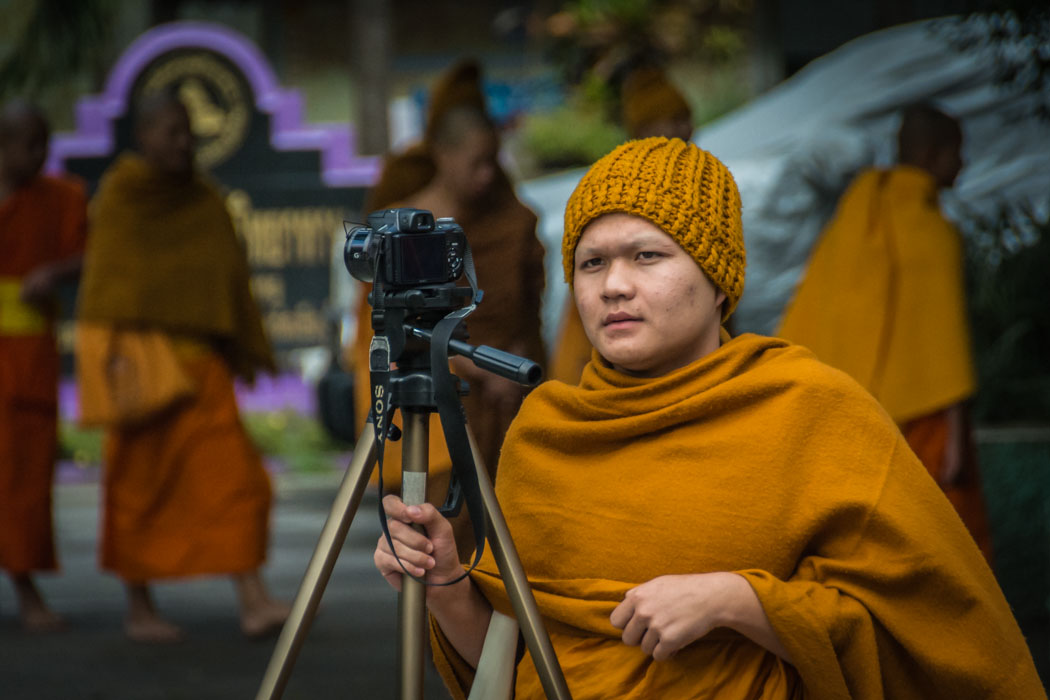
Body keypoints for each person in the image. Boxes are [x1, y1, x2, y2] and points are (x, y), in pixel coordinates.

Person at [373, 137, 1044, 699]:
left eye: (647, 256)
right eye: (591, 262)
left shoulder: (809, 409)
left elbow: (927, 631)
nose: (613, 285)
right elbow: (511, 664)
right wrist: (445, 586)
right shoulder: (548, 429)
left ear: (719, 276)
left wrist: (741, 603)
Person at [75, 93, 288, 642]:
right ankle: (139, 609)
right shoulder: (122, 198)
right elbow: (104, 294)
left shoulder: (204, 199)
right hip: (144, 374)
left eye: (188, 131)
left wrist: (241, 344)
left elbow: (229, 280)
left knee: (237, 484)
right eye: (171, 131)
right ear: (143, 137)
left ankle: (253, 599)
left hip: (202, 372)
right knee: (135, 493)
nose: (183, 142)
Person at [776, 104, 992, 560]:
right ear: (934, 156)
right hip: (927, 416)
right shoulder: (932, 231)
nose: (964, 165)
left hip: (848, 410)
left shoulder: (854, 216)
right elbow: (943, 342)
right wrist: (954, 440)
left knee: (865, 543)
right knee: (942, 547)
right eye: (959, 153)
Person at [350, 60, 546, 499]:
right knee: (437, 526)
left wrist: (517, 356)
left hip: (508, 391)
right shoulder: (400, 230)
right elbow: (384, 324)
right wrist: (471, 364)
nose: (488, 175)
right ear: (442, 154)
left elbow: (528, 310)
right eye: (476, 163)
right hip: (441, 394)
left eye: (493, 161)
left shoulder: (514, 219)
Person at [548, 65, 693, 384]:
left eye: (686, 121)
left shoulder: (699, 196)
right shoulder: (612, 194)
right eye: (673, 122)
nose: (685, 130)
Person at [0, 100, 87, 631]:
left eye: (42, 144)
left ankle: (27, 590)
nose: (37, 155)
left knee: (24, 479)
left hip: (28, 356)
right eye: (25, 143)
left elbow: (90, 253)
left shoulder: (62, 197)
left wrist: (51, 272)